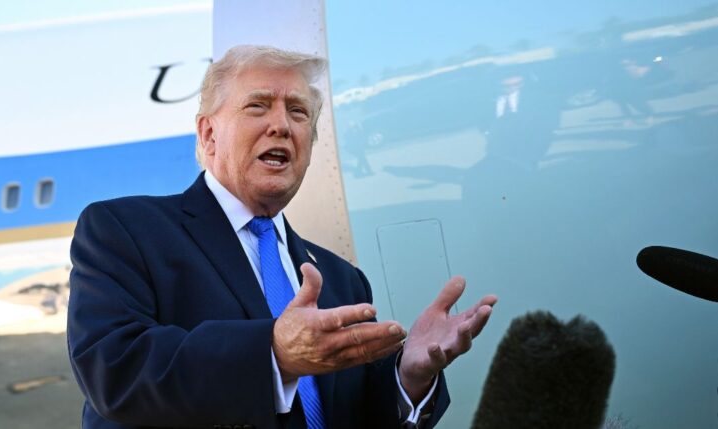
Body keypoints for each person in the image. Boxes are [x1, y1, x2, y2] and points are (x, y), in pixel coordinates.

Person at [67, 45, 497, 429]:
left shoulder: (341, 278)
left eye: (298, 112)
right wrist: (272, 354)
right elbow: (114, 371)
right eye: (258, 106)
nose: (281, 125)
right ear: (208, 134)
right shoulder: (124, 230)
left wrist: (410, 377)